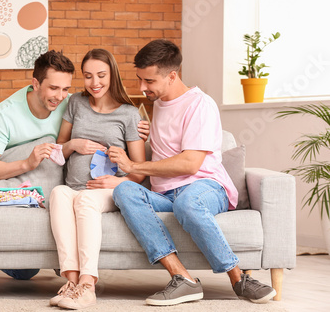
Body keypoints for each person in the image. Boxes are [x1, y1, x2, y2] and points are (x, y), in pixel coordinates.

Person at [108, 39, 276, 306]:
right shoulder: (160, 102)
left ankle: (239, 277)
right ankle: (182, 279)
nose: (142, 87)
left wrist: (133, 166)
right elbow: (172, 144)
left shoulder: (200, 104)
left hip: (206, 187)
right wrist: (148, 135)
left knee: (188, 202)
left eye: (149, 81)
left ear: (172, 75)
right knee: (124, 190)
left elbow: (189, 164)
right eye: (140, 79)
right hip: (166, 194)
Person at [0, 50, 149, 281]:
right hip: (41, 186)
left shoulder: (90, 107)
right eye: (53, 88)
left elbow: (134, 161)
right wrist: (33, 159)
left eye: (65, 89)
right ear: (35, 84)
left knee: (79, 201)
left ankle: (83, 281)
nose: (60, 96)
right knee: (25, 271)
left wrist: (144, 130)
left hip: (90, 191)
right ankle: (62, 275)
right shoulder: (13, 113)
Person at [47, 49, 146, 310]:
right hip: (74, 187)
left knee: (87, 201)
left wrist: (118, 179)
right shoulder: (76, 103)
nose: (95, 83)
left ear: (112, 74)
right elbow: (59, 148)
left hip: (108, 190)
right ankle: (71, 282)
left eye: (101, 75)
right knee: (58, 193)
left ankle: (88, 285)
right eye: (88, 76)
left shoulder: (128, 114)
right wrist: (73, 144)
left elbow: (139, 170)